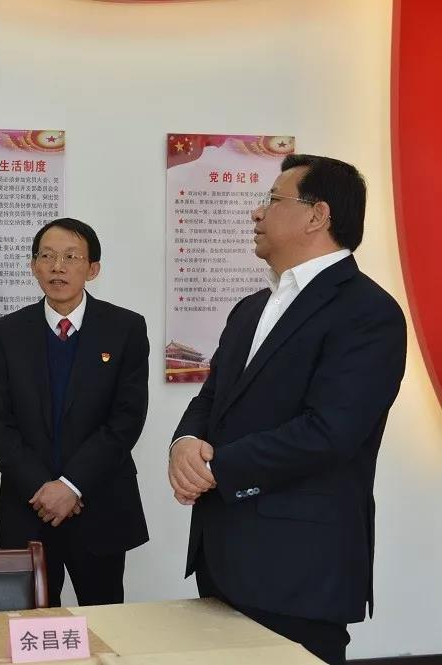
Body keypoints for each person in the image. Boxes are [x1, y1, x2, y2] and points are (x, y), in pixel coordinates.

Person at [168, 154, 407, 664]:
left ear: (317, 216)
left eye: (273, 200)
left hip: (299, 569)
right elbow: (212, 398)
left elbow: (330, 432)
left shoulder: (368, 312)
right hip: (224, 555)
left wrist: (217, 468)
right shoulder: (251, 307)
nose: (257, 212)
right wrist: (184, 443)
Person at [0, 217, 150, 607]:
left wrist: (71, 486)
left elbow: (126, 419)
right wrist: (42, 488)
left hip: (100, 504)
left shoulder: (125, 328)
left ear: (93, 269)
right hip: (29, 507)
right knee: (32, 625)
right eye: (47, 256)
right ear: (33, 266)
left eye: (71, 257)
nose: (58, 267)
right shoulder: (7, 332)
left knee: (106, 621)